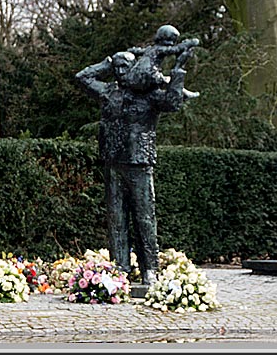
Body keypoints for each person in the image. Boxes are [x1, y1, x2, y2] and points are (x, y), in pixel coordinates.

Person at [75, 44, 198, 285]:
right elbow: (82, 77)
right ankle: (121, 268)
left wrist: (179, 68)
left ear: (134, 69)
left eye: (125, 66)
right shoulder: (108, 92)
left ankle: (149, 268)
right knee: (116, 218)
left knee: (144, 218)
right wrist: (107, 62)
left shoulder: (149, 94)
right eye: (117, 67)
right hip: (113, 162)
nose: (120, 71)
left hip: (139, 162)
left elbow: (173, 102)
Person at [125, 24, 200, 94]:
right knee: (168, 82)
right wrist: (190, 42)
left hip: (135, 74)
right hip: (148, 73)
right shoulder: (160, 49)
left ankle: (183, 92)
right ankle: (184, 93)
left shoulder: (151, 49)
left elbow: (138, 51)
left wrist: (133, 50)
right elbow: (176, 49)